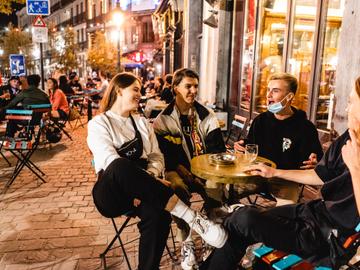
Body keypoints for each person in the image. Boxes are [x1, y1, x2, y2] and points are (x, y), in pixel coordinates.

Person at [201, 77, 360, 270]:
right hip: (315, 212)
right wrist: (273, 171)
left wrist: (355, 168)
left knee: (242, 220)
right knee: (238, 223)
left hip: (330, 237)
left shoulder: (306, 128)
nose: (346, 108)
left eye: (351, 102)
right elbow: (319, 175)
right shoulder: (347, 138)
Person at [87, 72, 228, 270]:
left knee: (159, 213)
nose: (140, 93)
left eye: (140, 89)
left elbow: (156, 157)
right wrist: (141, 186)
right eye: (135, 89)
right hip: (112, 194)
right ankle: (192, 218)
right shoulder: (98, 124)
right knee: (120, 165)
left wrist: (149, 180)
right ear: (119, 90)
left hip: (148, 190)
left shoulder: (142, 123)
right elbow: (109, 160)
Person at [153, 68, 226, 270]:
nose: (193, 90)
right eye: (188, 86)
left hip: (204, 169)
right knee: (175, 187)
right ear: (176, 88)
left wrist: (204, 171)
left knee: (215, 186)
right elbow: (164, 155)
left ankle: (211, 237)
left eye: (195, 86)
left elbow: (217, 150)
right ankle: (186, 242)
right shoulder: (163, 119)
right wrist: (183, 169)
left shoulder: (206, 116)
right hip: (177, 170)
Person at [234, 73, 323, 205]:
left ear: (289, 96)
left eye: (275, 91)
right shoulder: (260, 120)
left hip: (285, 180)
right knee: (223, 189)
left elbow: (316, 159)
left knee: (284, 213)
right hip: (257, 176)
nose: (268, 95)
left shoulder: (305, 127)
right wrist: (242, 146)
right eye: (268, 90)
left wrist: (315, 162)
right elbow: (251, 145)